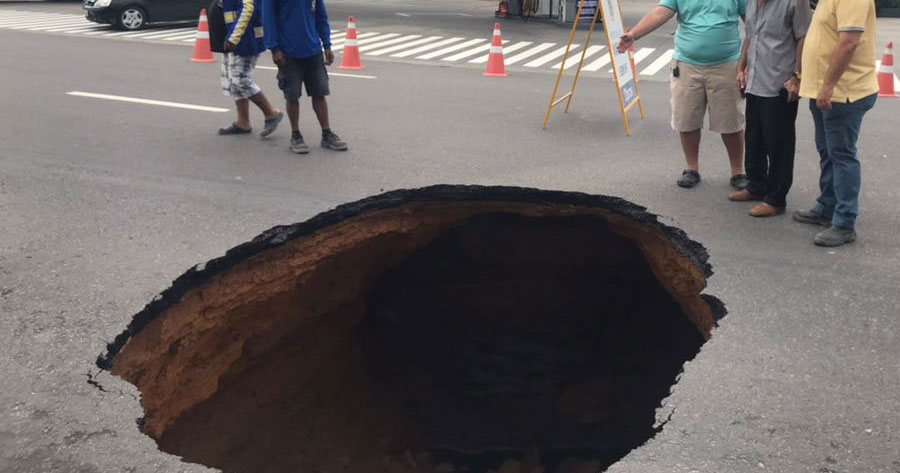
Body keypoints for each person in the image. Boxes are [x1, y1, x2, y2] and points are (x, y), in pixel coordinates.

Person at [617, 0, 749, 190]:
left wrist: (746, 63)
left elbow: (753, 23)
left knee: (731, 122)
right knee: (687, 120)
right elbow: (660, 13)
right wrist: (633, 34)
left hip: (727, 64)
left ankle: (737, 171)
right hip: (687, 64)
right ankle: (691, 169)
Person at [793, 0, 878, 246]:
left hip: (842, 92)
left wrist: (828, 85)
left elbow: (849, 42)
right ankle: (827, 206)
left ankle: (844, 222)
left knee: (842, 155)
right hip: (824, 91)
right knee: (828, 151)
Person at [728, 0, 812, 217]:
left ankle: (776, 198)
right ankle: (756, 185)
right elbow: (751, 36)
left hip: (779, 83)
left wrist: (798, 76)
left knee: (779, 144)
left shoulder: (795, 2)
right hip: (755, 81)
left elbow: (804, 38)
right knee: (754, 139)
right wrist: (741, 67)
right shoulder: (752, 2)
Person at [262, 0, 347, 154]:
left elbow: (321, 16)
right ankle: (295, 135)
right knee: (292, 95)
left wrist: (327, 45)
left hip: (313, 50)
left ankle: (327, 133)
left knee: (319, 93)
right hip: (288, 52)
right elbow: (268, 19)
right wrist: (274, 48)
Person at [217, 0, 283, 137]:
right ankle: (243, 122)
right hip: (235, 35)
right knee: (232, 82)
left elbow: (248, 8)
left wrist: (233, 38)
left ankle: (271, 113)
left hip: (245, 38)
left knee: (240, 80)